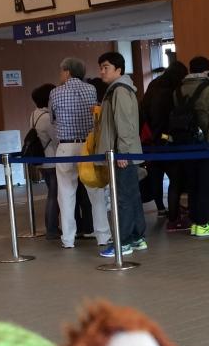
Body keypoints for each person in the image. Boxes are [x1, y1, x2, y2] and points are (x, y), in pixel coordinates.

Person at [48, 56, 110, 251]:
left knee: (66, 194)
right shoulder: (91, 89)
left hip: (66, 148)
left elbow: (52, 119)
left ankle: (68, 239)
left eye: (61, 71)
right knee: (95, 192)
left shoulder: (55, 92)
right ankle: (103, 235)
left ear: (67, 72)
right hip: (88, 146)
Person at [97, 51, 147, 257]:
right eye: (101, 67)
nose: (102, 71)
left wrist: (122, 153)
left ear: (118, 69)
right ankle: (136, 237)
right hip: (123, 153)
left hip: (121, 155)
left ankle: (124, 242)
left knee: (123, 199)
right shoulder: (119, 90)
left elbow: (124, 124)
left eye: (106, 67)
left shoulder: (119, 90)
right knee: (131, 196)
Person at [175, 56, 209, 238]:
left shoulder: (178, 90)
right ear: (206, 71)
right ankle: (203, 223)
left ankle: (195, 223)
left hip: (185, 143)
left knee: (192, 184)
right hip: (207, 143)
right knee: (205, 184)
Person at [142, 60, 188, 230]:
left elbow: (144, 113)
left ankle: (161, 208)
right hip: (167, 139)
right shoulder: (172, 91)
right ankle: (174, 217)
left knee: (155, 175)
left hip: (151, 141)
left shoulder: (153, 86)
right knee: (175, 179)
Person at [28, 83, 60, 239]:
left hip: (41, 160)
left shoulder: (34, 114)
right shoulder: (47, 117)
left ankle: (51, 228)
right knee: (54, 195)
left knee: (51, 193)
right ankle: (52, 229)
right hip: (51, 160)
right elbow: (56, 139)